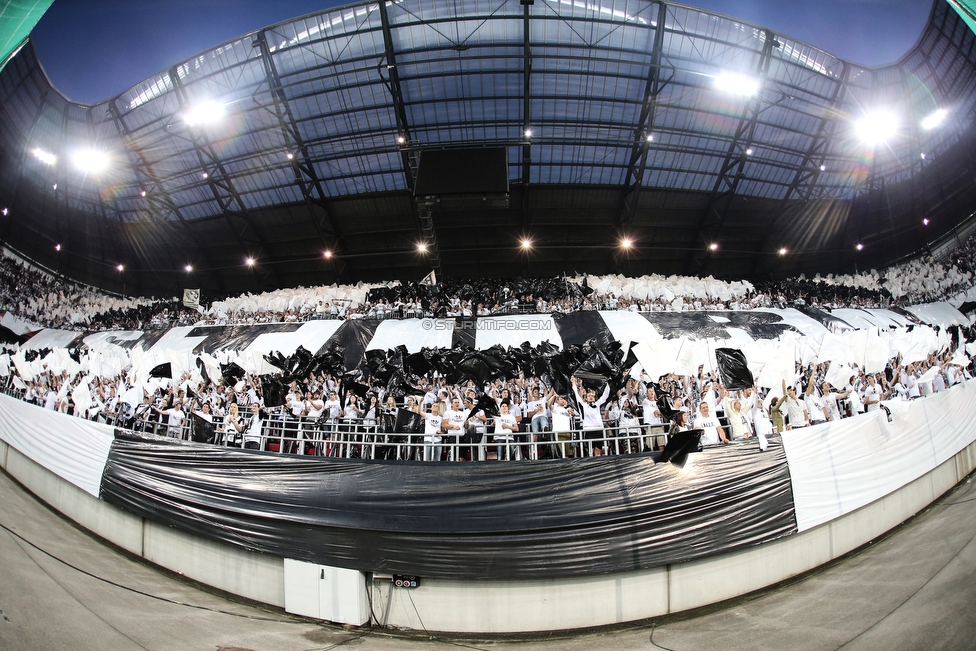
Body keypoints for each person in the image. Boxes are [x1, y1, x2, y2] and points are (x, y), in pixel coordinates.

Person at [572, 376, 610, 456]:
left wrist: (608, 384)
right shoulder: (584, 405)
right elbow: (576, 396)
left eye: (592, 396)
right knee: (590, 450)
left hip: (599, 428)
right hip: (589, 429)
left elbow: (605, 396)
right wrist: (574, 384)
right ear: (586, 398)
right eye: (589, 396)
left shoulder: (597, 404)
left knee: (598, 450)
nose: (591, 397)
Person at [547, 390, 576, 458]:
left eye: (563, 399)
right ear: (557, 401)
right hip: (559, 432)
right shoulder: (555, 408)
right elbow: (549, 404)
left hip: (568, 432)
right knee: (561, 453)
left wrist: (572, 413)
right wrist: (554, 395)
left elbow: (573, 415)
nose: (563, 400)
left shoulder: (568, 409)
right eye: (561, 399)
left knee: (568, 453)